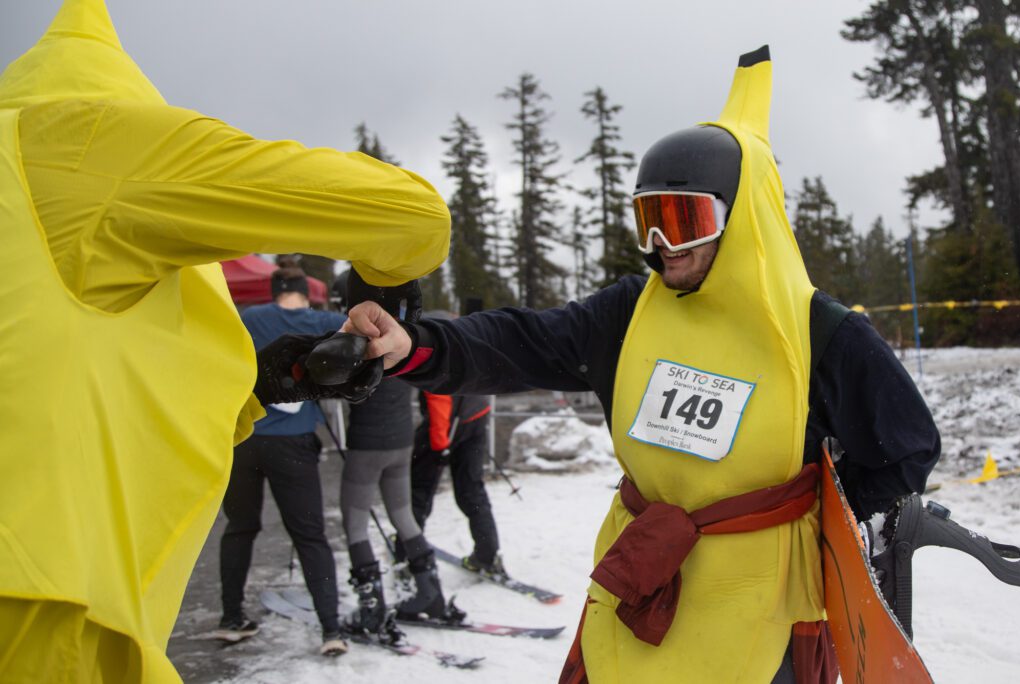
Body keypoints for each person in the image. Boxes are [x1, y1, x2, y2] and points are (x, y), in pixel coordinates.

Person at [338, 46, 940, 682]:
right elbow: (525, 342)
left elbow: (905, 447)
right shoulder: (632, 312)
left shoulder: (821, 332)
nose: (661, 246)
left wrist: (824, 521)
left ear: (743, 219)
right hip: (644, 577)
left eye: (683, 220)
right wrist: (416, 344)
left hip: (758, 601)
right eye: (648, 219)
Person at [0, 1, 448, 681]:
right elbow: (410, 215)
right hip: (38, 605)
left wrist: (258, 384)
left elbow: (48, 364)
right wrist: (383, 282)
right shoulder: (85, 147)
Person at [216, 263, 347, 655]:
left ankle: (231, 618)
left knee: (239, 528)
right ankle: (331, 629)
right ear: (306, 291)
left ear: (273, 290)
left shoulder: (246, 318)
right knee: (310, 536)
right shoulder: (323, 320)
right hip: (293, 443)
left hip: (244, 439)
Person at [331, 274, 459, 638]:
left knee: (354, 520)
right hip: (401, 440)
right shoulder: (400, 336)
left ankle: (372, 607)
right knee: (402, 514)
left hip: (367, 446)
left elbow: (331, 384)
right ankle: (429, 591)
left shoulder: (353, 341)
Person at [409, 357, 502, 577]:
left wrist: (440, 445)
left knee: (419, 493)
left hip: (445, 425)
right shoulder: (464, 328)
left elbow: (438, 393)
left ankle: (409, 554)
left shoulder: (431, 328)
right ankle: (487, 554)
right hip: (475, 415)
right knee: (471, 488)